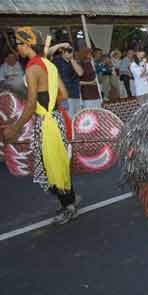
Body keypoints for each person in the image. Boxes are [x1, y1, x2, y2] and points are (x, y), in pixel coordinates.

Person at [3, 27, 79, 224]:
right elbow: (63, 93)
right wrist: (48, 105)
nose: (16, 49)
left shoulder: (32, 68)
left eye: (18, 44)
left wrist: (15, 128)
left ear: (27, 45)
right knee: (58, 162)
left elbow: (29, 105)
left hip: (47, 123)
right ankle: (69, 199)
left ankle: (68, 206)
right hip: (56, 118)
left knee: (51, 165)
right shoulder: (48, 64)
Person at [51, 42, 83, 118]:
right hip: (65, 96)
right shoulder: (57, 60)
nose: (70, 53)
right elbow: (48, 53)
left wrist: (72, 60)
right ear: (62, 51)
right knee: (68, 119)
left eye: (71, 50)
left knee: (77, 119)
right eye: (68, 51)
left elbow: (80, 73)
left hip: (76, 95)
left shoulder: (74, 61)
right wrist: (59, 45)